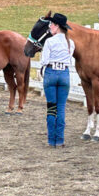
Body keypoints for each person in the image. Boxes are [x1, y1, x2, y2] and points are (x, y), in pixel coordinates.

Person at [40, 13, 75, 147]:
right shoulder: (70, 43)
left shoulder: (49, 41)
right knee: (61, 108)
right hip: (64, 74)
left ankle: (51, 140)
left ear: (57, 26)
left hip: (51, 73)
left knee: (51, 108)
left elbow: (44, 61)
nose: (50, 27)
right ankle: (60, 139)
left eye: (52, 25)